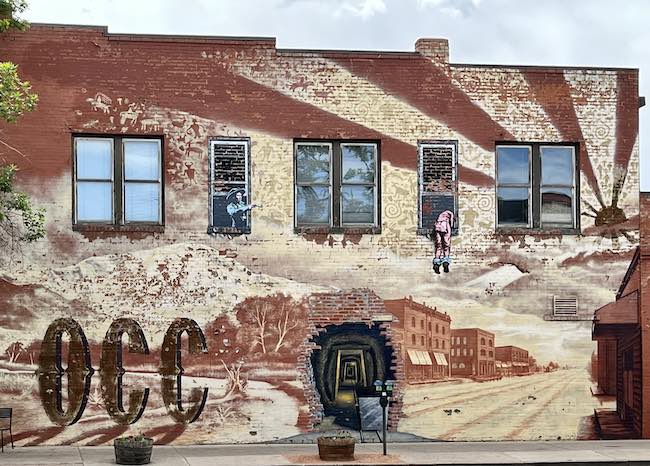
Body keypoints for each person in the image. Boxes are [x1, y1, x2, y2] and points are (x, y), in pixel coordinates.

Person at [433, 210, 454, 274]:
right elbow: (449, 230)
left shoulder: (438, 221)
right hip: (445, 229)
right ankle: (445, 262)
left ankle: (436, 264)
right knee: (446, 247)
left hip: (438, 229)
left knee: (438, 247)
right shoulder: (447, 220)